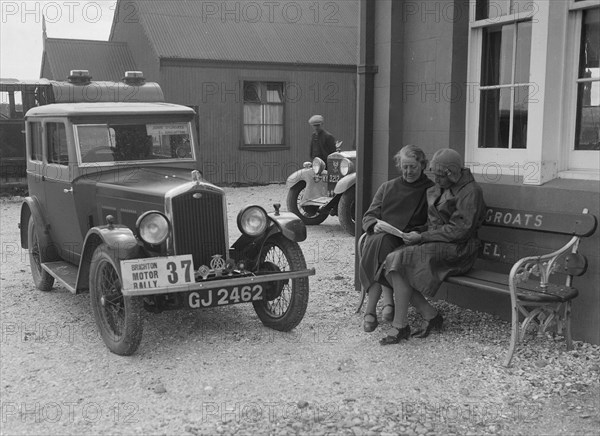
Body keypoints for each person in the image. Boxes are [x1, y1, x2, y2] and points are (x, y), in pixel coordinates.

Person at [379, 148, 487, 345]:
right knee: (392, 259)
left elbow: (460, 231)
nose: (436, 181)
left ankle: (401, 325)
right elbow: (434, 225)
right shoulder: (443, 187)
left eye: (440, 176)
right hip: (440, 244)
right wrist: (412, 233)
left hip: (460, 250)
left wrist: (421, 236)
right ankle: (428, 314)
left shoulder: (471, 192)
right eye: (435, 175)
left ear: (451, 173)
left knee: (401, 260)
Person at [359, 145, 434, 332]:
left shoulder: (431, 190)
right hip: (385, 238)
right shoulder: (388, 187)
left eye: (413, 167)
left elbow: (434, 223)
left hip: (411, 242)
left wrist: (418, 234)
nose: (408, 171)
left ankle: (372, 311)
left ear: (422, 165)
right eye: (404, 167)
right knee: (379, 241)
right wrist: (373, 224)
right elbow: (368, 216)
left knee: (378, 244)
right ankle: (388, 306)